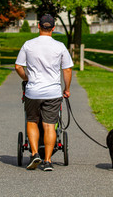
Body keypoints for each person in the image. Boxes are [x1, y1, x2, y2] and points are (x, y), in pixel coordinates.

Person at [15, 14, 73, 171]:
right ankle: (48, 160)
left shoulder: (28, 45)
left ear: (38, 26)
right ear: (53, 28)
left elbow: (18, 66)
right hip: (53, 92)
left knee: (32, 121)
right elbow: (67, 69)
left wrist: (27, 78)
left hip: (33, 91)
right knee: (50, 125)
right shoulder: (59, 46)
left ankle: (35, 154)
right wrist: (66, 89)